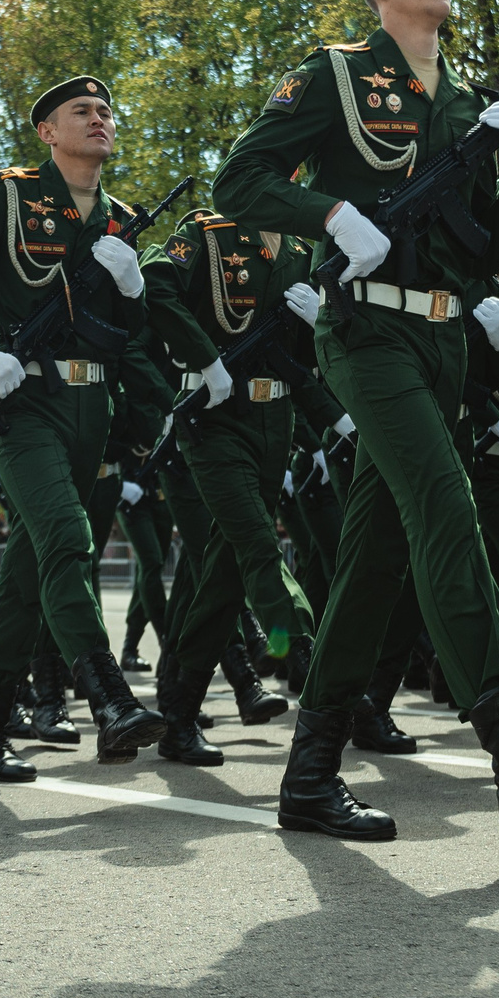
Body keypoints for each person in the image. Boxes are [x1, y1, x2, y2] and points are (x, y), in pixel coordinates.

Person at [215, 0, 499, 841]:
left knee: (377, 554)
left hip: (445, 343)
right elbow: (241, 181)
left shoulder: (470, 103)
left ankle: (309, 778)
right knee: (446, 506)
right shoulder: (336, 74)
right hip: (367, 333)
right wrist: (331, 213)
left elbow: (494, 249)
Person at [0, 77, 169, 781]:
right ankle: (107, 696)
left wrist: (134, 288)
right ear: (48, 132)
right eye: (81, 111)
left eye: (106, 111)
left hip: (94, 409)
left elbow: (130, 337)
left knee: (30, 571)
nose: (98, 119)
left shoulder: (117, 219)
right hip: (24, 401)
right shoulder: (7, 195)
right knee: (67, 539)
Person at [138, 203, 331, 765]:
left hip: (277, 423)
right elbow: (157, 285)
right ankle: (304, 652)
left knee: (223, 578)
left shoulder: (300, 248)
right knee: (256, 543)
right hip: (215, 416)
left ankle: (177, 716)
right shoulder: (210, 232)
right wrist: (206, 358)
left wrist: (322, 324)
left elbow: (298, 360)